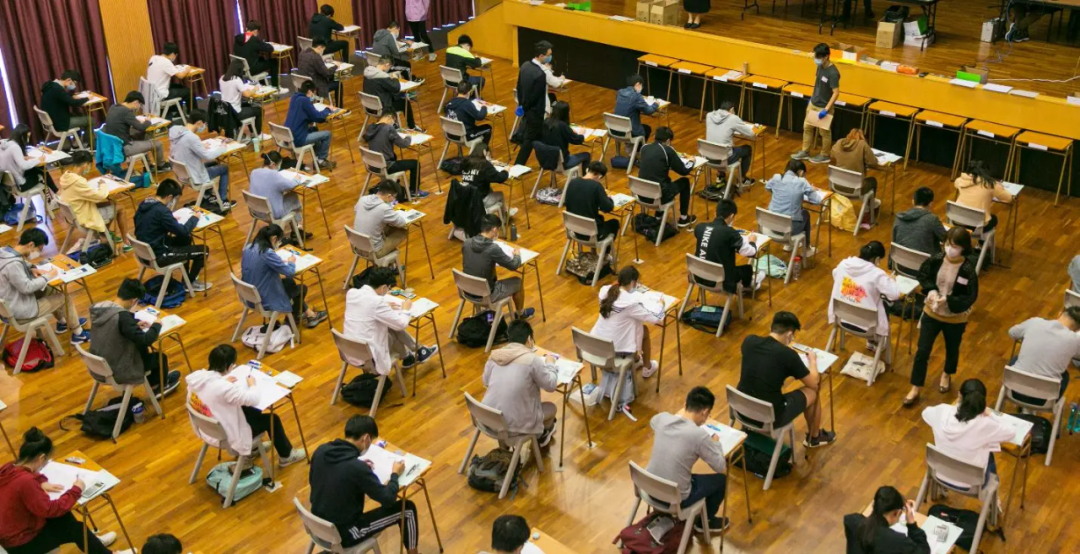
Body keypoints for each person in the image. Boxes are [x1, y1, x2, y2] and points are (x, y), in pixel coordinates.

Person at [0, 428, 132, 554]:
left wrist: (41, 482)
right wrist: (76, 490)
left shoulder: (9, 467)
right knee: (76, 529)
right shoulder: (26, 482)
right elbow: (51, 509)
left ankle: (94, 543)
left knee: (66, 517)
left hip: (11, 533)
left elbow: (29, 478)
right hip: (22, 543)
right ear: (41, 458)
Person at [309, 415, 420, 553]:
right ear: (366, 438)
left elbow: (320, 480)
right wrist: (394, 474)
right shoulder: (356, 468)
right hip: (345, 533)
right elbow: (388, 499)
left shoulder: (321, 451)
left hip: (317, 525)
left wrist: (359, 468)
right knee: (407, 509)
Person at [188, 345, 306, 465]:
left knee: (250, 410)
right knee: (272, 419)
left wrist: (223, 381)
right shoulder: (224, 388)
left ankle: (253, 449)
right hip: (227, 435)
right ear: (229, 366)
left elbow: (212, 391)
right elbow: (254, 399)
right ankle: (287, 456)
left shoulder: (196, 379)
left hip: (207, 429)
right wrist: (252, 384)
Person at [904, 228, 979, 407]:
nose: (950, 249)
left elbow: (970, 296)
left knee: (952, 349)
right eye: (947, 244)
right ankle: (915, 387)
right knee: (922, 351)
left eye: (955, 246)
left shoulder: (967, 269)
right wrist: (931, 290)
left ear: (963, 248)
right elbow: (923, 275)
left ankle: (947, 374)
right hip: (932, 312)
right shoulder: (936, 259)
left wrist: (949, 300)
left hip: (955, 318)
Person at [737, 311, 836, 447]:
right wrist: (813, 361)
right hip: (769, 418)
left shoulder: (749, 341)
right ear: (789, 335)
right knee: (813, 392)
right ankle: (815, 437)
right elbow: (814, 383)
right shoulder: (788, 355)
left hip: (740, 409)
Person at [646, 386, 729, 531]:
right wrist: (716, 443)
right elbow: (720, 466)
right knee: (721, 480)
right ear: (705, 412)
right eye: (708, 415)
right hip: (675, 499)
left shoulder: (663, 419)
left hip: (649, 488)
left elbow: (653, 422)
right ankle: (705, 522)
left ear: (685, 405)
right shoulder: (699, 435)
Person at [89, 278, 181, 396]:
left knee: (142, 350)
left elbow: (113, 328)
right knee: (159, 357)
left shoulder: (102, 308)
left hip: (99, 365)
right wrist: (157, 325)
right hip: (117, 369)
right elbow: (145, 340)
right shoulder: (123, 317)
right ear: (134, 301)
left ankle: (158, 381)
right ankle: (158, 387)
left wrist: (134, 326)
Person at [590, 267, 663, 415]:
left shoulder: (604, 291)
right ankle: (647, 367)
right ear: (633, 282)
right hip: (615, 352)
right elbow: (656, 317)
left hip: (595, 345)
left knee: (639, 328)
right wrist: (660, 303)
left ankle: (637, 360)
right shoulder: (631, 303)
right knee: (641, 329)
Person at [0, 228, 88, 344]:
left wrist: (32, 268)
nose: (39, 253)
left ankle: (63, 322)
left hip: (10, 304)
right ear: (31, 245)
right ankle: (78, 334)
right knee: (64, 298)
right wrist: (48, 276)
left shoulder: (4, 252)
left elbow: (21, 262)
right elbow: (27, 287)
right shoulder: (13, 264)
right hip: (21, 312)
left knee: (50, 290)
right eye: (39, 249)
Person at [922, 379, 1013, 487]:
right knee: (989, 455)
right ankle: (993, 495)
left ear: (959, 395)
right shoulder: (985, 424)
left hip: (939, 473)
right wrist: (990, 414)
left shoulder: (942, 410)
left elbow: (925, 413)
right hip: (972, 484)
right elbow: (1011, 432)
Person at [344, 266, 436, 373]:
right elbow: (401, 324)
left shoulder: (352, 293)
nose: (388, 291)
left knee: (388, 326)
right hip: (368, 356)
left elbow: (366, 306)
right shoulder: (377, 302)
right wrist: (406, 309)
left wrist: (384, 305)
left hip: (348, 350)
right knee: (392, 328)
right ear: (384, 287)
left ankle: (409, 356)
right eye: (388, 288)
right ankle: (414, 352)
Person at [482, 320, 559, 446]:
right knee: (551, 408)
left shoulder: (494, 356)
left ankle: (505, 448)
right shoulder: (532, 360)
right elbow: (551, 385)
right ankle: (541, 436)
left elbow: (485, 382)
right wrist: (550, 363)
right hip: (514, 427)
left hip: (488, 419)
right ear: (529, 339)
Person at [241, 225, 327, 329]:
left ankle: (304, 314)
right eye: (279, 240)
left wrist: (276, 261)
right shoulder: (267, 253)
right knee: (301, 289)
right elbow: (290, 272)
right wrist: (291, 262)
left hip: (249, 295)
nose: (279, 243)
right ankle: (305, 315)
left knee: (289, 283)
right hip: (264, 299)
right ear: (274, 238)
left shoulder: (248, 248)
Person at [133, 179, 210, 291]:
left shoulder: (145, 203)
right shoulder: (162, 211)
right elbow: (183, 230)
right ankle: (190, 283)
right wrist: (195, 218)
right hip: (159, 255)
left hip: (144, 252)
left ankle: (186, 278)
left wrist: (169, 221)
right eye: (174, 199)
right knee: (204, 250)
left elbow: (149, 223)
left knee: (185, 239)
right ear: (169, 197)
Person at [462, 215, 535, 320]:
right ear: (494, 229)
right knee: (518, 282)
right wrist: (517, 255)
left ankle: (489, 317)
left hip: (467, 290)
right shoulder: (493, 248)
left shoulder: (467, 243)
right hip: (485, 295)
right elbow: (513, 265)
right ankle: (520, 314)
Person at [829, 241, 900, 346]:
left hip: (841, 319)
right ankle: (874, 343)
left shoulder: (844, 264)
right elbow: (894, 295)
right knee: (885, 303)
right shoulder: (877, 274)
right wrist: (891, 280)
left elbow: (835, 274)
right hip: (867, 327)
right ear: (877, 259)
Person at [1007, 307, 1080, 402]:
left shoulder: (1035, 322)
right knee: (1065, 376)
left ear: (1060, 313)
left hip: (1013, 389)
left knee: (1016, 359)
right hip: (1044, 400)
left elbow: (1012, 332)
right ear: (1078, 329)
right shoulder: (1076, 341)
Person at [168, 109, 233, 209]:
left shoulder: (176, 132)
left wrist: (200, 146)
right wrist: (222, 148)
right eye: (204, 123)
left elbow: (185, 147)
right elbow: (208, 156)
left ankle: (207, 195)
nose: (205, 126)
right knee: (225, 168)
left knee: (213, 163)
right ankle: (223, 200)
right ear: (199, 122)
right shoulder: (192, 137)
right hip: (193, 176)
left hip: (181, 174)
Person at [693, 199, 760, 293]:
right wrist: (752, 241)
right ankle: (747, 287)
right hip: (720, 281)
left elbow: (712, 240)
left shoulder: (699, 227)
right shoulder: (730, 233)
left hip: (698, 275)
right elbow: (751, 252)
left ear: (715, 214)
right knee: (747, 269)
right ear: (732, 216)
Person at [638, 126, 697, 228]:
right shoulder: (667, 151)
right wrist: (691, 161)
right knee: (684, 182)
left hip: (641, 194)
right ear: (668, 141)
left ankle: (658, 214)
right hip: (659, 197)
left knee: (658, 179)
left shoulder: (644, 148)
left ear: (655, 137)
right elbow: (683, 171)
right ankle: (683, 218)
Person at [58, 170, 131, 252]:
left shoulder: (65, 178)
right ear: (86, 164)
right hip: (84, 217)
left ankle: (105, 233)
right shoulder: (78, 181)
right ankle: (126, 242)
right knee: (121, 208)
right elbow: (100, 196)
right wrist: (103, 185)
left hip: (73, 216)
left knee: (110, 204)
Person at [843, 486, 929, 554]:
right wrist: (912, 524)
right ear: (897, 513)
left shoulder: (853, 520)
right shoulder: (897, 541)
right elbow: (924, 551)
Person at [765, 159, 824, 256]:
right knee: (805, 214)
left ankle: (788, 245)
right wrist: (812, 190)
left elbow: (767, 187)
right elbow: (817, 201)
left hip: (771, 225)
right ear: (801, 172)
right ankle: (807, 249)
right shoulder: (801, 182)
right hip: (788, 229)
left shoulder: (777, 177)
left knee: (796, 211)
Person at [792, 43, 839, 164]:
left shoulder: (833, 73)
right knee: (807, 128)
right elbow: (817, 82)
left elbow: (836, 93)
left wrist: (826, 109)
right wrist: (813, 97)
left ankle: (825, 155)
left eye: (818, 57)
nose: (816, 59)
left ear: (826, 56)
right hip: (814, 103)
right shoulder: (820, 66)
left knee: (824, 133)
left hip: (824, 107)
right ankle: (805, 151)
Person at [362, 110, 423, 200]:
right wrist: (409, 136)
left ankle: (394, 183)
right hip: (386, 166)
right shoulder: (388, 129)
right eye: (393, 121)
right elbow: (404, 144)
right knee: (415, 164)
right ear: (389, 117)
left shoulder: (370, 128)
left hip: (373, 165)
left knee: (394, 155)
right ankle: (414, 191)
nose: (393, 123)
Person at [103, 91, 168, 172]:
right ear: (136, 102)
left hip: (113, 145)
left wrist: (136, 120)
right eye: (139, 105)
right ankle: (161, 166)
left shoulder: (114, 107)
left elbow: (126, 121)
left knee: (144, 135)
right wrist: (148, 121)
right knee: (158, 144)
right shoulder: (126, 112)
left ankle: (148, 166)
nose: (139, 107)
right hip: (124, 147)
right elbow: (141, 127)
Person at [513, 40, 554, 166]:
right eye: (549, 54)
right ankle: (518, 165)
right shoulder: (540, 74)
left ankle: (546, 160)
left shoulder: (525, 65)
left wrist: (522, 105)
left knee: (538, 137)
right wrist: (526, 106)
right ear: (541, 56)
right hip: (536, 112)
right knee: (530, 140)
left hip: (526, 108)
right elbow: (536, 97)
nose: (550, 57)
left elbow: (519, 87)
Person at [249, 152, 307, 236]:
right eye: (279, 165)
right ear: (273, 164)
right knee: (293, 197)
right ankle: (297, 229)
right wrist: (297, 179)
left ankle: (296, 230)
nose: (279, 167)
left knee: (287, 198)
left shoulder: (254, 172)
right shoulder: (273, 175)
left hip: (255, 210)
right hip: (271, 214)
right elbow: (290, 185)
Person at [284, 81, 336, 170]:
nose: (313, 96)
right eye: (313, 93)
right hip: (297, 139)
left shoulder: (294, 97)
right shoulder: (304, 100)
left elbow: (303, 115)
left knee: (314, 129)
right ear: (309, 91)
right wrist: (328, 109)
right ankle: (321, 160)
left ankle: (317, 159)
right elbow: (318, 117)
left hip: (287, 136)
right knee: (327, 134)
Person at [705, 100, 755, 188]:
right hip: (724, 159)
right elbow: (751, 134)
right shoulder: (733, 118)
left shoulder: (709, 115)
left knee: (721, 145)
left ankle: (720, 175)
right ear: (731, 109)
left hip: (708, 157)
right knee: (747, 149)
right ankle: (742, 179)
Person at [354, 180, 410, 257]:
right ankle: (390, 261)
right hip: (373, 252)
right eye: (394, 197)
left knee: (385, 227)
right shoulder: (384, 208)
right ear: (389, 196)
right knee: (403, 232)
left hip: (357, 245)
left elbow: (355, 210)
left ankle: (390, 261)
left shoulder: (362, 199)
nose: (394, 200)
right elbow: (402, 223)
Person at [954, 160, 1013, 233]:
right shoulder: (991, 184)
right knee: (994, 219)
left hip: (958, 220)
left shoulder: (960, 180)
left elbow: (956, 184)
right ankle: (983, 240)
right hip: (977, 225)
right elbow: (1009, 199)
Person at [564, 161, 618, 240]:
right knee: (615, 223)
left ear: (587, 170)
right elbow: (608, 207)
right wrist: (609, 199)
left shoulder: (572, 182)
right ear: (599, 176)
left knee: (599, 218)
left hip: (574, 229)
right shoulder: (596, 186)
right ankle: (605, 248)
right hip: (591, 234)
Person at [892, 187, 947, 263]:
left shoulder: (899, 218)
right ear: (930, 204)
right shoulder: (932, 219)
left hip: (900, 264)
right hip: (926, 267)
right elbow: (946, 238)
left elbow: (894, 243)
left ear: (913, 201)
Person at [362, 58, 419, 131]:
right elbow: (396, 88)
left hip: (369, 108)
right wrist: (395, 79)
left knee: (394, 96)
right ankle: (412, 127)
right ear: (387, 65)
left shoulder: (367, 73)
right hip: (382, 109)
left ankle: (395, 124)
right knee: (405, 102)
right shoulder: (382, 77)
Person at [0, 124, 58, 194]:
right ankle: (55, 192)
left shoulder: (5, 144)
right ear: (22, 137)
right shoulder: (15, 147)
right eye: (27, 137)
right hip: (22, 184)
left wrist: (23, 157)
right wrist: (39, 159)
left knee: (38, 169)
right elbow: (24, 165)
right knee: (42, 170)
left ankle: (54, 192)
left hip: (10, 183)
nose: (27, 140)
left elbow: (8, 160)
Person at [219, 58, 265, 137]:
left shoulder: (222, 78)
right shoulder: (237, 80)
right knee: (260, 110)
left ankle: (253, 131)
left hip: (226, 109)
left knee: (249, 105)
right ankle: (258, 134)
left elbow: (232, 90)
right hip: (235, 112)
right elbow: (247, 95)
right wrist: (255, 89)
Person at [539, 100, 589, 171]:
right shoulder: (562, 126)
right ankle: (585, 178)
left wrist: (569, 130)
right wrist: (581, 134)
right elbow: (576, 140)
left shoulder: (546, 121)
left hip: (547, 160)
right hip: (561, 163)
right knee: (587, 155)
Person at [460, 145, 508, 215]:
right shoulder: (484, 165)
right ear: (485, 152)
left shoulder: (466, 161)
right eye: (489, 155)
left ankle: (505, 212)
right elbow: (500, 178)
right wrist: (506, 171)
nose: (489, 157)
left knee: (489, 188)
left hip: (467, 198)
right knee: (500, 194)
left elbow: (477, 172)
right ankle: (505, 216)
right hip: (479, 201)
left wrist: (490, 162)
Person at [830, 128, 882, 193]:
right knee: (873, 181)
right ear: (862, 137)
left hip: (837, 185)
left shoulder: (839, 143)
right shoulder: (862, 144)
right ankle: (869, 199)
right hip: (855, 188)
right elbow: (873, 163)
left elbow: (832, 156)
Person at [39, 69, 89, 135]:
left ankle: (77, 140)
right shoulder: (57, 89)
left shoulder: (51, 85)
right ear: (69, 80)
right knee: (91, 120)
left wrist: (72, 96)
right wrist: (87, 98)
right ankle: (88, 141)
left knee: (79, 115)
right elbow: (74, 103)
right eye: (74, 83)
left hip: (52, 121)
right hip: (60, 124)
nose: (74, 86)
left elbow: (61, 97)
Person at [614, 75, 659, 143]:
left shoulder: (620, 92)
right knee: (647, 129)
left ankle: (630, 146)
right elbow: (649, 111)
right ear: (638, 84)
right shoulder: (636, 96)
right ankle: (637, 148)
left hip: (615, 129)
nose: (641, 88)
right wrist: (656, 104)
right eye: (642, 86)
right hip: (628, 131)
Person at [233, 20, 277, 88]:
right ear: (255, 31)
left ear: (246, 29)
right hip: (250, 70)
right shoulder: (254, 40)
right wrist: (266, 43)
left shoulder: (238, 38)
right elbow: (270, 48)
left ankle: (263, 85)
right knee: (274, 62)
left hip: (240, 69)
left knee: (261, 58)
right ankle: (276, 87)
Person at [146, 43, 192, 109]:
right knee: (188, 91)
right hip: (160, 94)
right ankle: (192, 112)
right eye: (175, 55)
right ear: (172, 54)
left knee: (179, 86)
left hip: (152, 91)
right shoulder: (166, 62)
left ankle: (176, 111)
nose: (175, 57)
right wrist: (188, 69)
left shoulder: (153, 58)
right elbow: (181, 76)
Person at [297, 39, 341, 104]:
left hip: (303, 84)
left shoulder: (302, 52)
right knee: (338, 82)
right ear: (319, 47)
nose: (322, 51)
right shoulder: (316, 56)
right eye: (323, 49)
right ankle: (339, 106)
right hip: (315, 86)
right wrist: (336, 66)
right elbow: (327, 73)